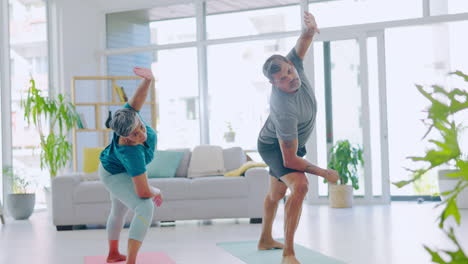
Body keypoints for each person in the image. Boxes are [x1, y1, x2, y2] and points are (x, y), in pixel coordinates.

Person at [257, 11, 340, 264]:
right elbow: (290, 159)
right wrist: (324, 172)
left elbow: (302, 44)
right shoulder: (283, 108)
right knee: (301, 186)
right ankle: (288, 254)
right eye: (283, 79)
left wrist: (309, 29)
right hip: (274, 147)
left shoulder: (292, 65)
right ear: (274, 84)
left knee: (276, 194)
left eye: (290, 72)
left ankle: (265, 240)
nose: (291, 79)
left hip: (290, 145)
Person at [99, 67, 163, 264]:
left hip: (116, 166)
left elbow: (138, 98)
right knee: (144, 207)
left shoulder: (128, 116)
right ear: (125, 138)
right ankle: (131, 261)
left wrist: (148, 80)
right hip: (113, 174)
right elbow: (144, 192)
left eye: (141, 127)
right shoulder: (131, 152)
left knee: (118, 210)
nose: (142, 135)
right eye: (135, 135)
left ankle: (113, 254)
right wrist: (157, 190)